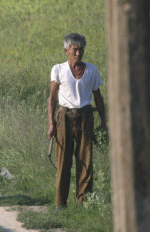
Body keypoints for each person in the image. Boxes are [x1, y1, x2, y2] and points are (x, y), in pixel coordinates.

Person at [47, 33, 107, 212]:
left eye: (81, 49)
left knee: (85, 161)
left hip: (86, 117)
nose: (78, 53)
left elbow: (99, 98)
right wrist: (51, 124)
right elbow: (51, 98)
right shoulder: (58, 69)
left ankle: (83, 203)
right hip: (64, 117)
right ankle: (60, 204)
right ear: (66, 51)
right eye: (74, 50)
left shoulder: (92, 71)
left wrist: (104, 123)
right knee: (63, 161)